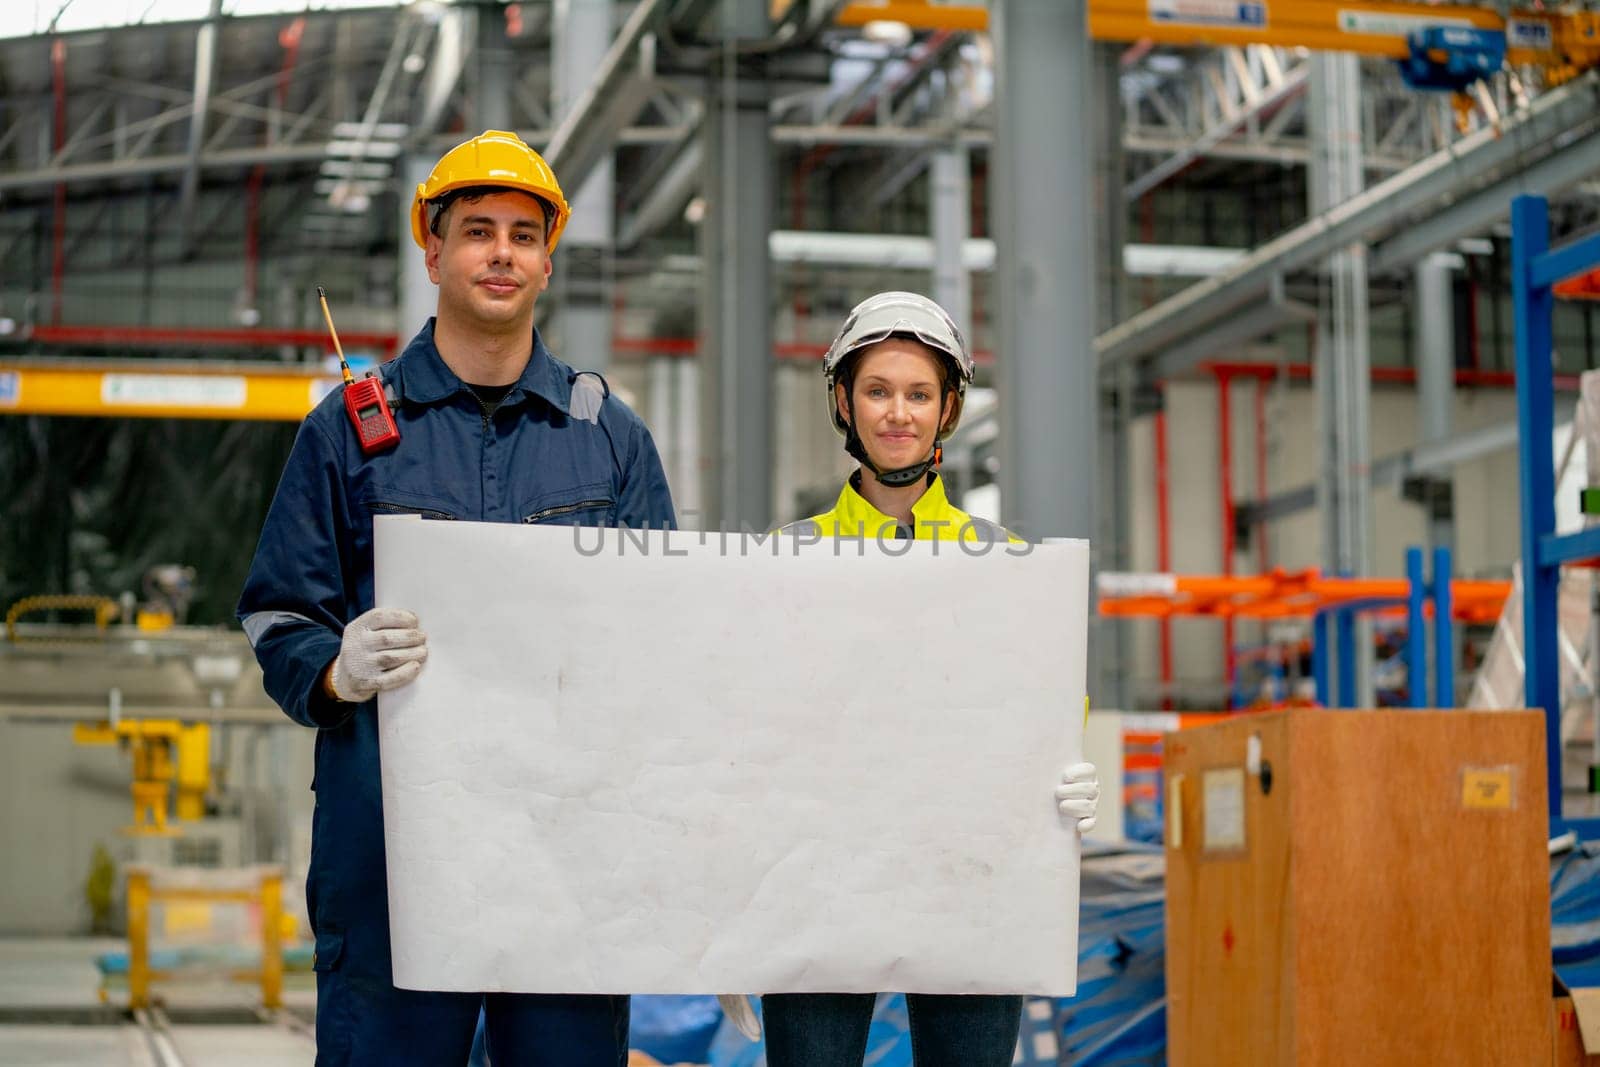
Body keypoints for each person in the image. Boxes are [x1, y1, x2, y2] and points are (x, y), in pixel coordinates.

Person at [238, 129, 675, 1067]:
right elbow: (280, 612)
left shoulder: (608, 438)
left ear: (548, 260)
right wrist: (337, 670)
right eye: (478, 230)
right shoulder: (349, 431)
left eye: (524, 233)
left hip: (568, 856)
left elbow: (669, 640)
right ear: (432, 251)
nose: (502, 253)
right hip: (392, 854)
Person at [718, 291, 1099, 1066]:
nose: (898, 413)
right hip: (815, 887)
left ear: (948, 409)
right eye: (878, 391)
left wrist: (1066, 776)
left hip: (972, 881)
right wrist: (731, 914)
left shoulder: (1010, 564)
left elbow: (1050, 708)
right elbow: (741, 737)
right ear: (843, 403)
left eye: (919, 393)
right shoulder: (783, 557)